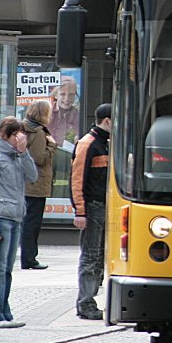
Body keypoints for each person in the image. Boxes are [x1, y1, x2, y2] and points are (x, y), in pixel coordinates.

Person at [0, 117, 38, 328]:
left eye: (21, 134)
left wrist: (24, 153)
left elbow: (33, 176)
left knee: (7, 269)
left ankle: (4, 312)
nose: (20, 138)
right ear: (5, 136)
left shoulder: (17, 157)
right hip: (2, 218)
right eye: (16, 134)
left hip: (16, 216)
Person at [71, 103, 111, 320]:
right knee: (91, 256)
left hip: (103, 207)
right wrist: (80, 211)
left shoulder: (104, 143)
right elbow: (77, 180)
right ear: (107, 121)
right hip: (94, 207)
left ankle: (89, 301)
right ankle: (85, 303)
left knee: (98, 256)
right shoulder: (88, 144)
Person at [21, 100, 57, 269]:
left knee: (28, 221)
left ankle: (27, 257)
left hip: (27, 182)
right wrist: (52, 145)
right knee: (32, 223)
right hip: (36, 183)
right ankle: (29, 258)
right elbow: (40, 158)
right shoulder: (39, 132)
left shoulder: (25, 127)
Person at [48, 76, 81, 145]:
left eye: (71, 94)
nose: (67, 99)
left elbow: (79, 132)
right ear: (56, 95)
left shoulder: (75, 113)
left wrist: (77, 137)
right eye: (62, 94)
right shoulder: (47, 110)